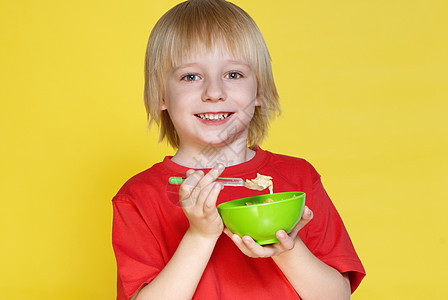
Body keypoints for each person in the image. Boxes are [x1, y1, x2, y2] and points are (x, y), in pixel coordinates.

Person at [112, 0, 366, 299]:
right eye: (190, 77)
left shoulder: (299, 179)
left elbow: (337, 296)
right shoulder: (138, 196)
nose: (214, 93)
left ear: (259, 90)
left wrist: (287, 248)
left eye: (233, 74)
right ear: (161, 96)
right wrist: (200, 235)